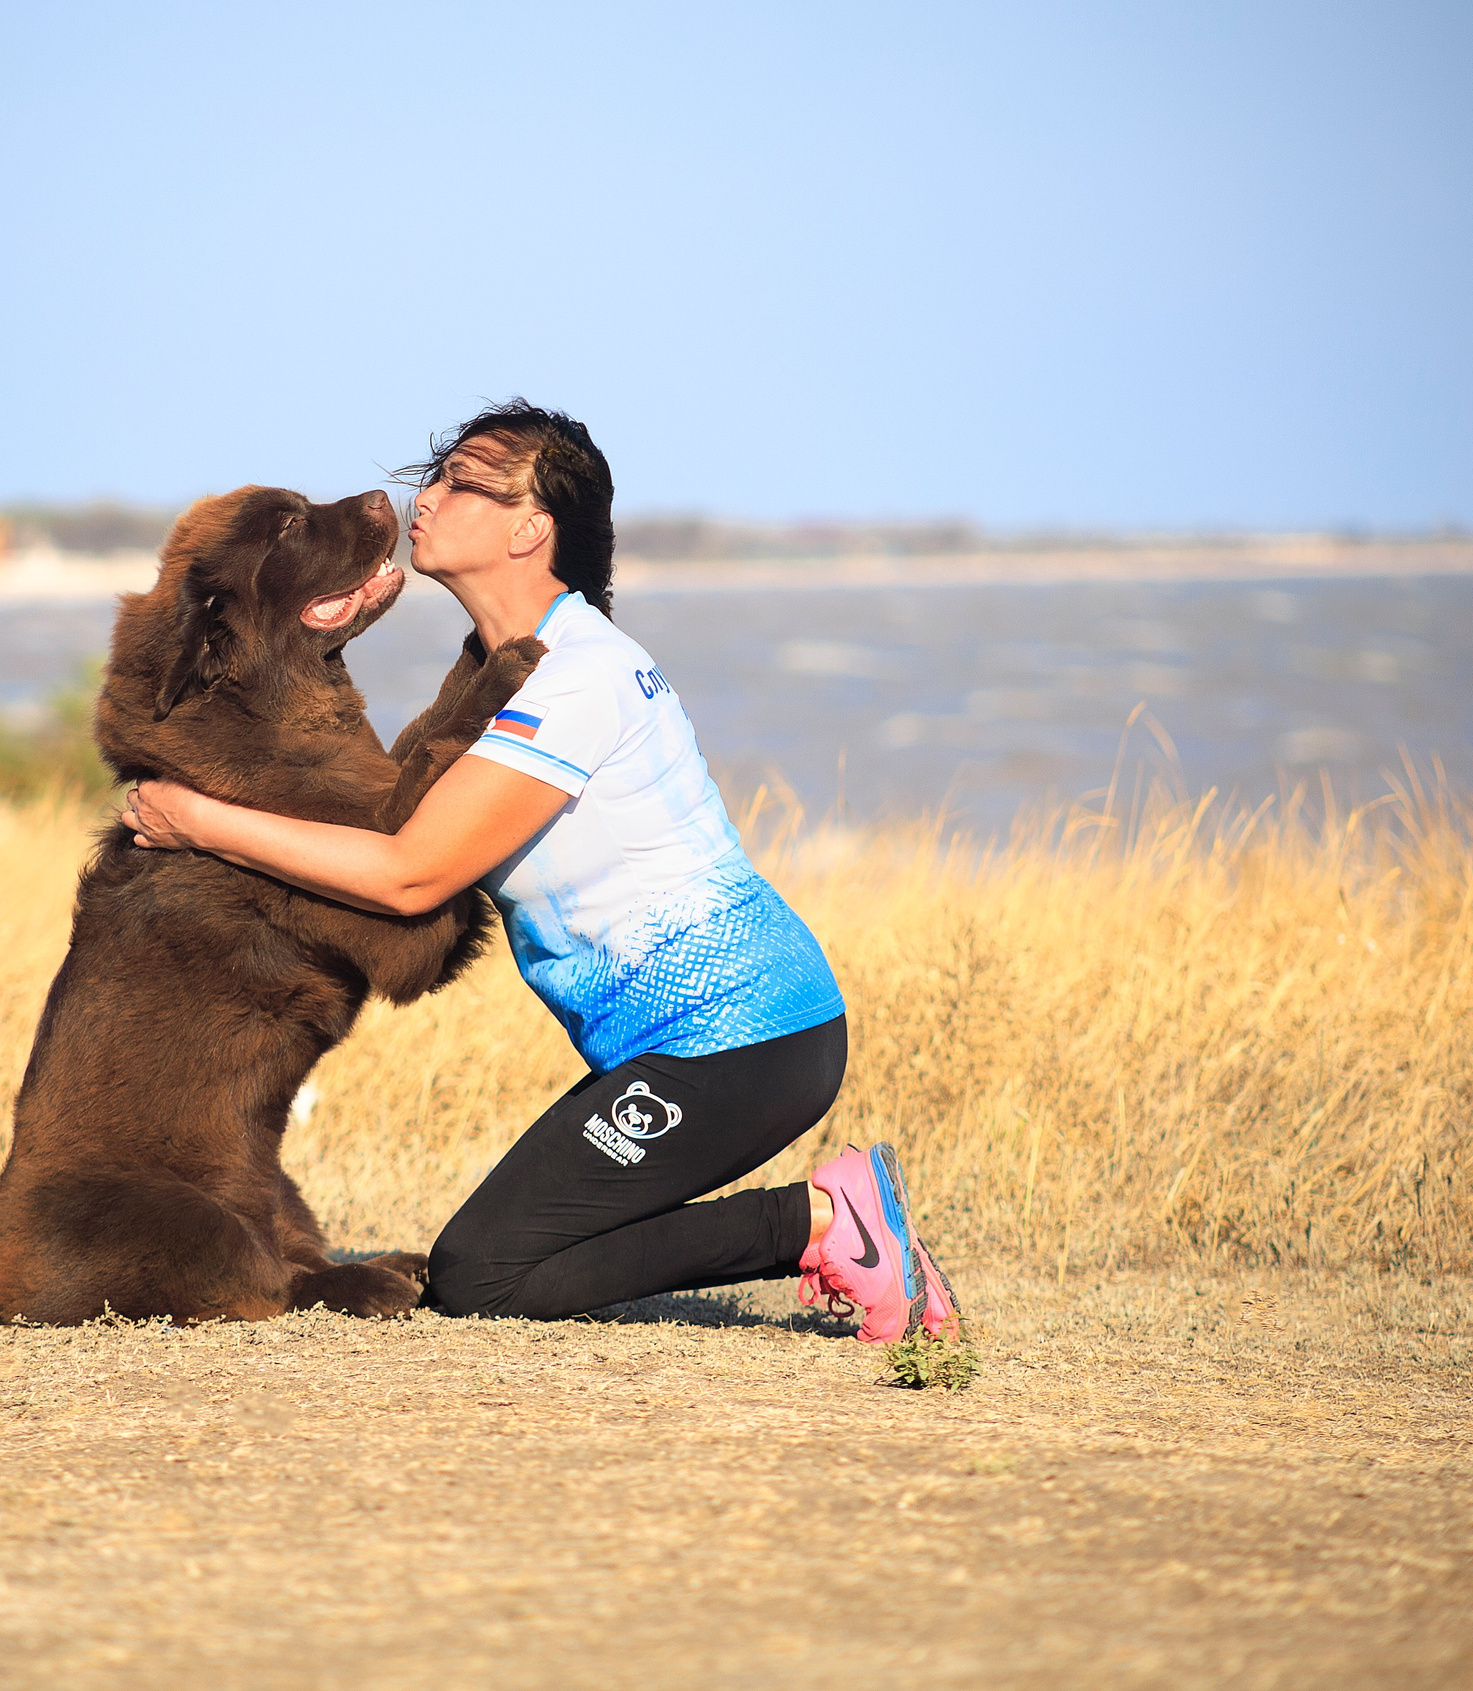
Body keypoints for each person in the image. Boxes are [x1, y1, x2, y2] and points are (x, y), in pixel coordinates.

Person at [121, 401, 958, 1342]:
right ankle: (834, 1220)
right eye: (435, 475)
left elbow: (409, 874)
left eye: (463, 482)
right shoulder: (505, 663)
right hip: (687, 1043)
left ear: (532, 529)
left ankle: (826, 1222)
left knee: (486, 1271)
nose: (425, 498)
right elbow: (398, 821)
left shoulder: (572, 681)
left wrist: (199, 821)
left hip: (741, 1042)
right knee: (509, 1255)